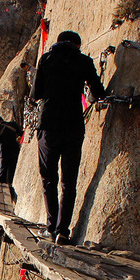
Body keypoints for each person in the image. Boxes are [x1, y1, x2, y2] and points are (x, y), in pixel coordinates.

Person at [30, 29, 108, 243]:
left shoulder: (46, 59)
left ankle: (51, 227)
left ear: (58, 42)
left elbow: (35, 94)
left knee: (48, 179)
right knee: (69, 182)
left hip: (49, 126)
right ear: (77, 45)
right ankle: (63, 232)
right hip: (73, 126)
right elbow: (98, 92)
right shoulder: (84, 60)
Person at [0, 115, 23, 190]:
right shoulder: (13, 124)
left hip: (4, 151)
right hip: (15, 150)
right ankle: (11, 187)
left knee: (3, 170)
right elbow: (21, 134)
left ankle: (1, 189)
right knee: (12, 169)